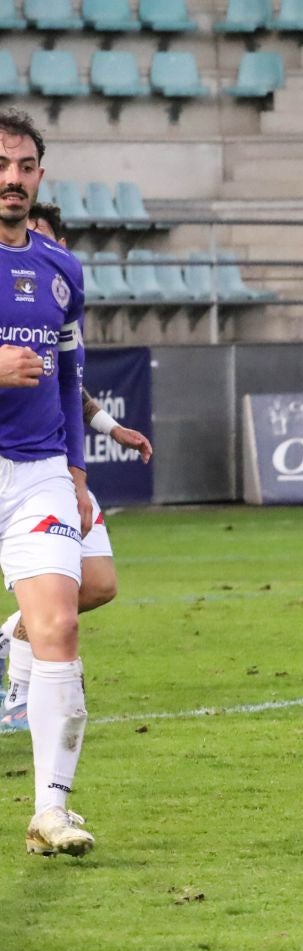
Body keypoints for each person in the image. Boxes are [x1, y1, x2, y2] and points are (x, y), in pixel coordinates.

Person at [0, 201, 155, 736]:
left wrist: (111, 432)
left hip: (57, 466)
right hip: (25, 465)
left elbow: (70, 385)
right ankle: (22, 691)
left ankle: (16, 645)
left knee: (100, 584)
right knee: (58, 606)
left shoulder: (60, 287)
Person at [0, 108, 96, 856]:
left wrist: (74, 469)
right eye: (2, 165)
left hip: (37, 473)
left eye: (25, 166)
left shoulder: (63, 270)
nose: (12, 179)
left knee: (59, 624)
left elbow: (68, 378)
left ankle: (51, 809)